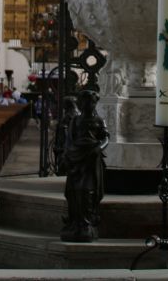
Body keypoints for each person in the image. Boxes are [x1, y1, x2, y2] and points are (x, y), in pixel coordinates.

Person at [61, 90, 108, 242]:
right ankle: (75, 223)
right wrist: (67, 155)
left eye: (91, 102)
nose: (87, 105)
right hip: (76, 157)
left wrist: (98, 148)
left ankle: (86, 223)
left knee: (87, 191)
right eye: (84, 102)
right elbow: (70, 139)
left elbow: (106, 138)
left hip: (91, 159)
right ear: (80, 104)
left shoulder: (99, 120)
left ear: (95, 104)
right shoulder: (75, 120)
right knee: (73, 191)